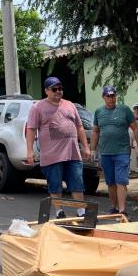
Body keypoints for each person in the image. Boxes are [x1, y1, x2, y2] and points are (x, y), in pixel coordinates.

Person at [24, 76, 92, 218]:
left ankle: (81, 212)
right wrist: (29, 151)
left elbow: (79, 127)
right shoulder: (38, 107)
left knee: (77, 183)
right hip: (52, 156)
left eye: (60, 88)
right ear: (46, 91)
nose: (58, 91)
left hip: (73, 154)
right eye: (54, 89)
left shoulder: (70, 105)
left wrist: (86, 147)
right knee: (55, 185)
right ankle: (59, 212)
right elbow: (30, 129)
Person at [91, 86, 138, 215]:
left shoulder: (124, 110)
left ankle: (122, 209)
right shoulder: (99, 112)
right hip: (105, 152)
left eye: (113, 95)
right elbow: (95, 131)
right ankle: (114, 206)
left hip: (122, 151)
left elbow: (136, 128)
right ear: (103, 97)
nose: (111, 98)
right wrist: (92, 150)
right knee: (110, 182)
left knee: (121, 181)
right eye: (108, 96)